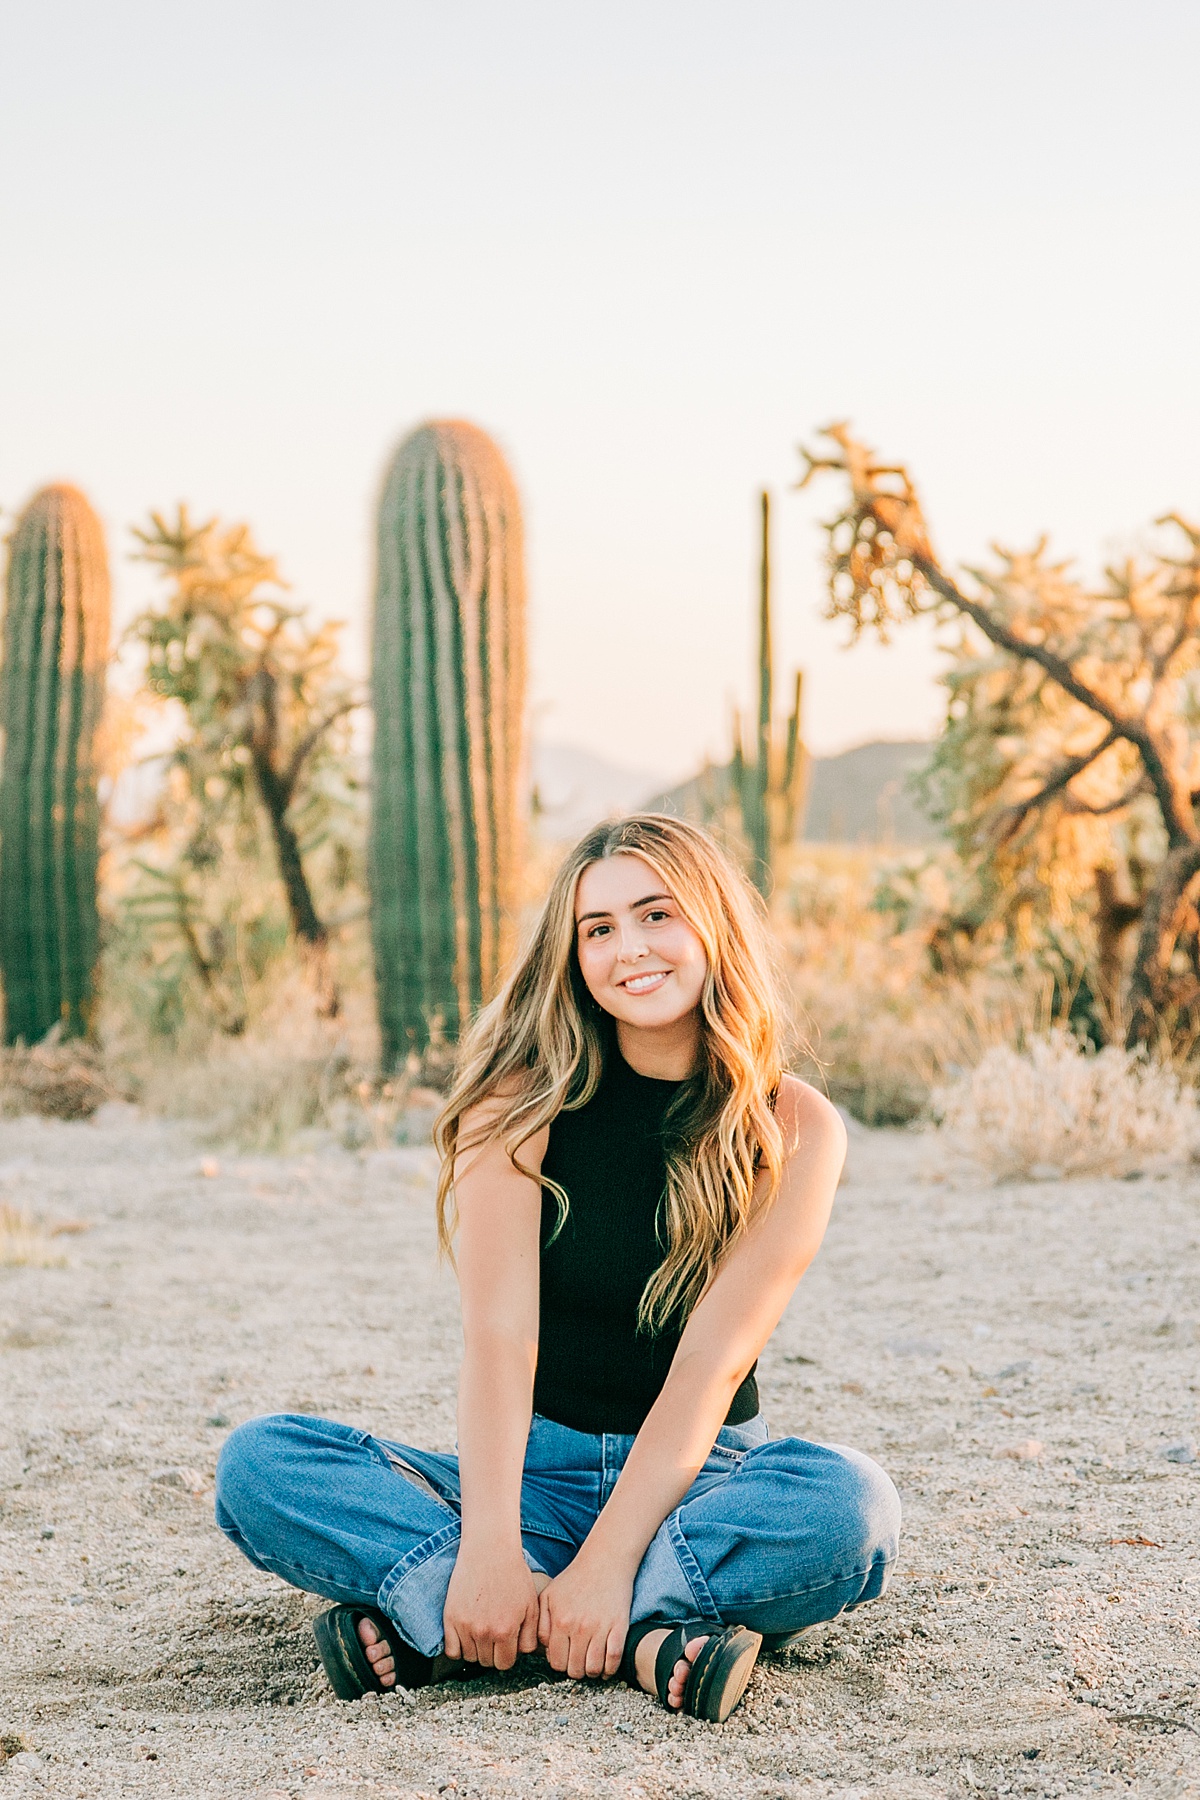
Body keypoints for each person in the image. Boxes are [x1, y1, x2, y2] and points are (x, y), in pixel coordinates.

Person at [215, 814, 900, 1722]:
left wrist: (611, 1560)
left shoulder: (793, 1125)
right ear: (573, 954)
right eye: (599, 928)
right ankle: (651, 1636)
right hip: (532, 1480)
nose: (631, 950)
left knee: (852, 1506)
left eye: (657, 915)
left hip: (704, 1484)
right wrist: (492, 1548)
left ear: (711, 925)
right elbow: (500, 1338)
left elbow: (711, 1365)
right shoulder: (519, 1105)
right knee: (261, 1465)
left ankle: (459, 1631)